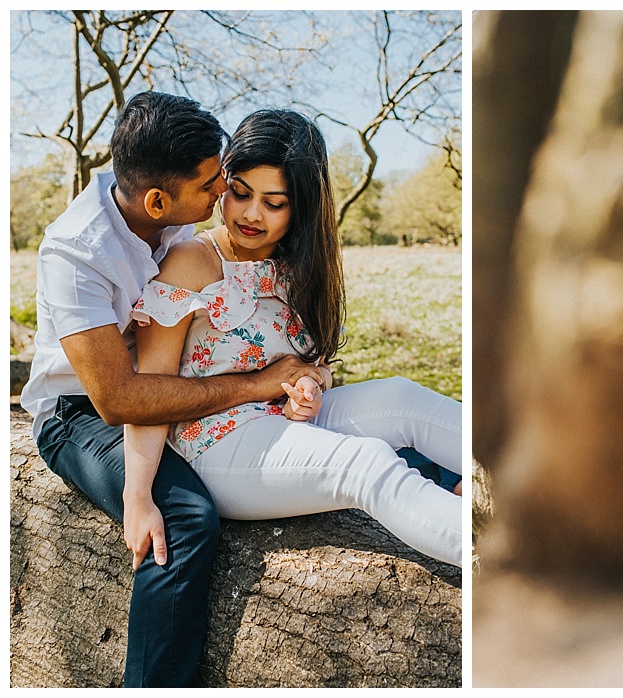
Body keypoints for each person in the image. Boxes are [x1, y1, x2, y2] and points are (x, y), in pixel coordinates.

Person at [21, 93, 327, 686]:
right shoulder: (77, 253)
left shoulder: (166, 187)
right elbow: (120, 399)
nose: (222, 194)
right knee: (184, 517)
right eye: (213, 185)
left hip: (171, 392)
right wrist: (255, 384)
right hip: (81, 413)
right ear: (159, 201)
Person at [123, 110, 462, 575]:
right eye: (239, 193)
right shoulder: (191, 263)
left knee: (401, 396)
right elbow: (149, 391)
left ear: (300, 206)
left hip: (286, 423)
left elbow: (311, 366)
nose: (251, 214)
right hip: (217, 446)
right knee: (365, 464)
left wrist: (311, 385)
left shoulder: (303, 267)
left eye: (274, 202)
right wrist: (137, 495)